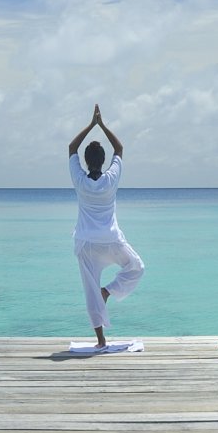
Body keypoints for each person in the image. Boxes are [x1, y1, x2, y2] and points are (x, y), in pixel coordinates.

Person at [67, 104, 143, 347]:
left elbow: (71, 148)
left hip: (86, 242)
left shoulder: (79, 180)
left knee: (90, 290)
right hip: (110, 240)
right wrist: (102, 125)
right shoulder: (111, 179)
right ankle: (107, 292)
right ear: (102, 162)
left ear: (87, 163)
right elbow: (119, 149)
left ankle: (101, 340)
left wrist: (90, 125)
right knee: (136, 268)